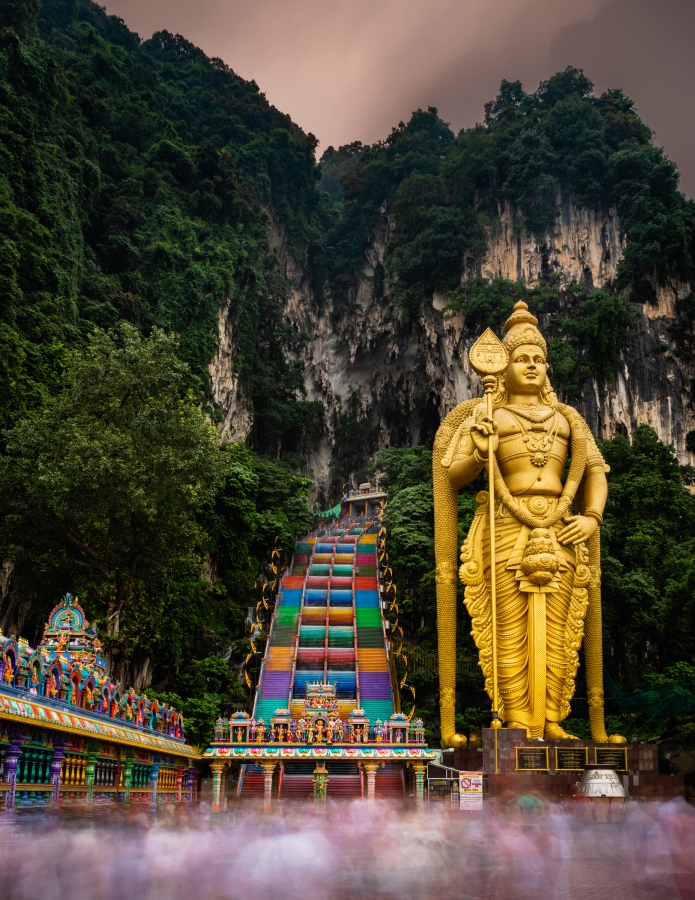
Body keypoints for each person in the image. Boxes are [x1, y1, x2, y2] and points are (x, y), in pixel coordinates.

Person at [437, 302, 622, 742]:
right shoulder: (488, 415)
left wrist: (592, 517)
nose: (532, 366)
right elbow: (453, 475)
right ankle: (519, 719)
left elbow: (594, 470)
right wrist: (482, 451)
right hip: (504, 524)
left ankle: (554, 719)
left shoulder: (568, 419)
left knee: (562, 626)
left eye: (539, 359)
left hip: (561, 527)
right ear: (504, 367)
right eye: (522, 358)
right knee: (508, 626)